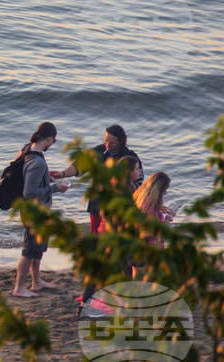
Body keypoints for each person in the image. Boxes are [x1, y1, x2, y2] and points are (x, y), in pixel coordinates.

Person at [49, 124, 144, 315]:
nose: (107, 144)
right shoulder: (99, 152)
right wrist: (62, 173)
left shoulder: (129, 157)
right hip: (97, 207)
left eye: (112, 142)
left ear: (122, 142)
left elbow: (140, 181)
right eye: (105, 140)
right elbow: (79, 166)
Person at [12, 121, 70, 298]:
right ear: (49, 138)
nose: (52, 144)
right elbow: (29, 192)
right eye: (53, 140)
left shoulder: (26, 149)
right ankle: (19, 287)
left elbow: (25, 177)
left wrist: (46, 179)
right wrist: (55, 188)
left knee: (37, 248)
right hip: (34, 212)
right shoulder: (38, 163)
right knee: (29, 250)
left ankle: (36, 281)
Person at [132, 171, 174, 248]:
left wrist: (158, 207)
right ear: (160, 191)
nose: (163, 194)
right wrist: (169, 217)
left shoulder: (142, 200)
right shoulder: (150, 208)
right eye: (164, 192)